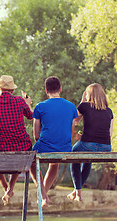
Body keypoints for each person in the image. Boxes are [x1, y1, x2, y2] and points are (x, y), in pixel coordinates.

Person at [0, 75, 33, 205]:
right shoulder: (19, 101)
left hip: (4, 146)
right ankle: (9, 189)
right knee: (19, 154)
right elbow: (31, 116)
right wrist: (28, 104)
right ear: (12, 90)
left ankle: (6, 188)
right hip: (23, 145)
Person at [31, 76, 78, 207]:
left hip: (45, 145)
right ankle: (44, 196)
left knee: (31, 162)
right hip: (65, 147)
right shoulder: (71, 106)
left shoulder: (40, 106)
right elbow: (71, 132)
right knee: (54, 164)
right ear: (60, 89)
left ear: (46, 90)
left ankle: (43, 195)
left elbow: (36, 135)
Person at [67, 83, 114, 202]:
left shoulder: (85, 106)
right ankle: (76, 191)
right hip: (106, 147)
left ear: (89, 95)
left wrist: (82, 102)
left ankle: (78, 194)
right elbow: (110, 133)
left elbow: (75, 121)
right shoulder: (109, 111)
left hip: (88, 144)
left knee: (74, 157)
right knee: (87, 160)